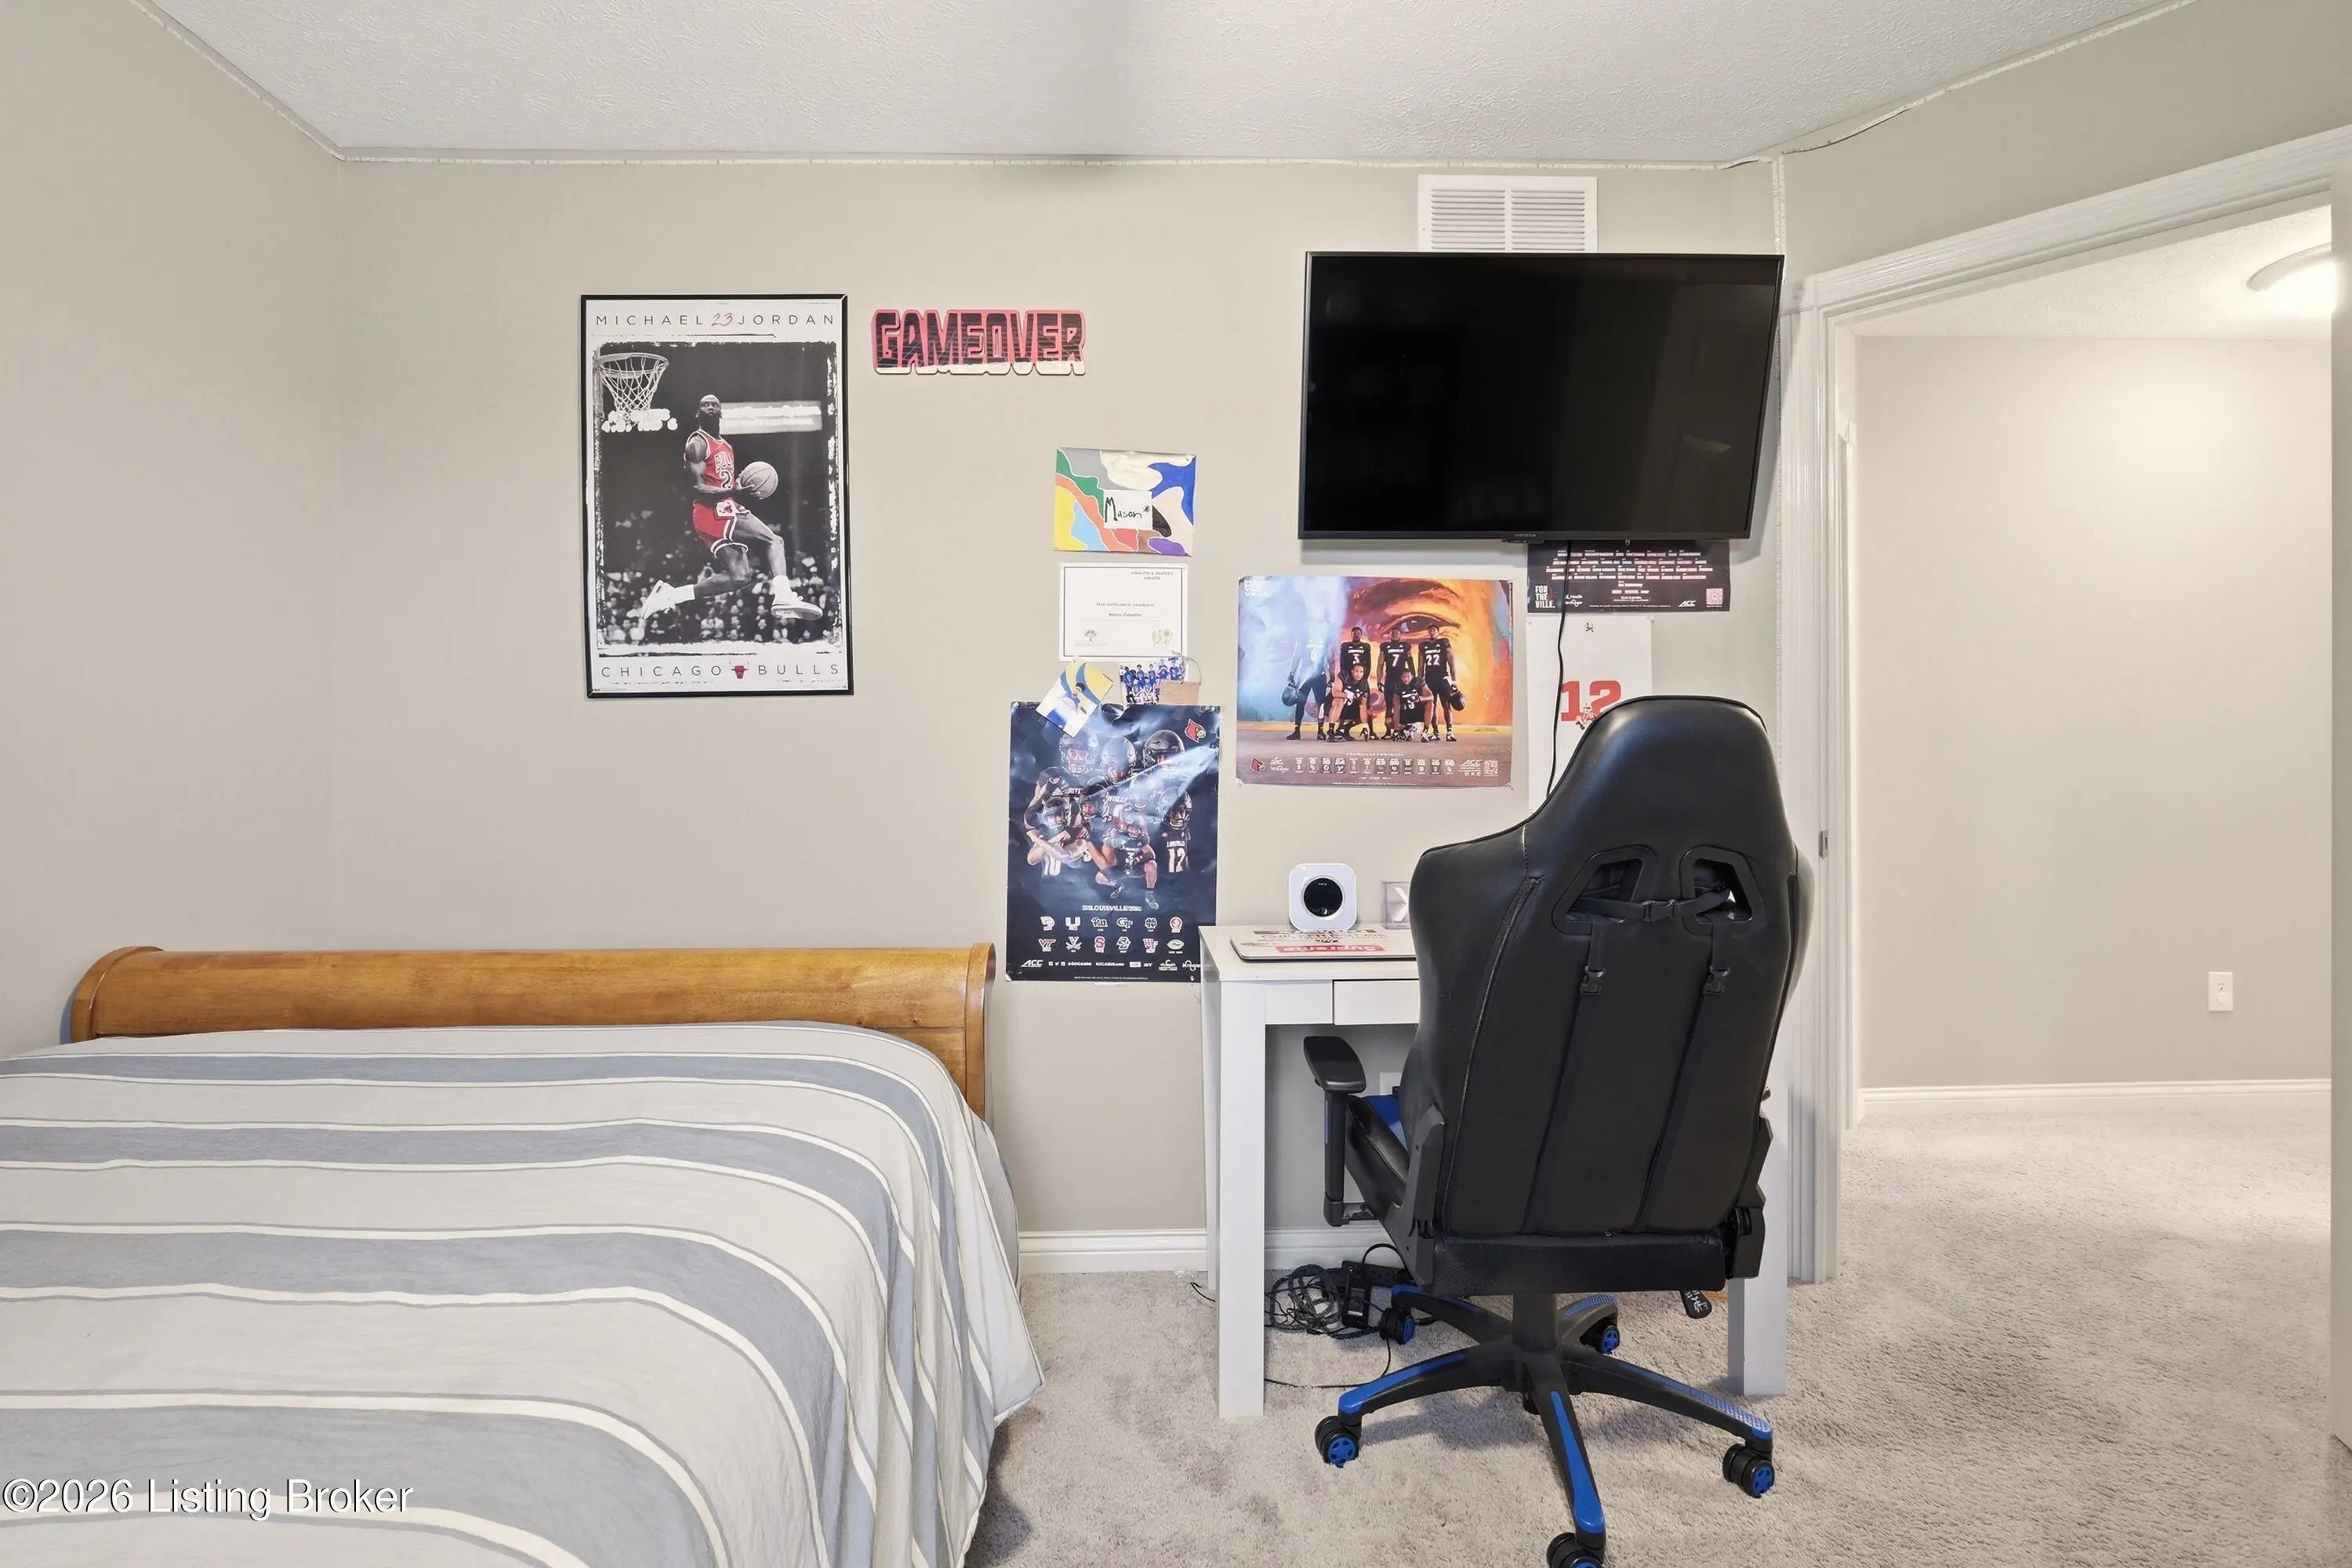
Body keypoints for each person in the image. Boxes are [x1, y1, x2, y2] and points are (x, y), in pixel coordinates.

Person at [630, 394, 822, 630]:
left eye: (714, 405)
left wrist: (736, 487)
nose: (710, 407)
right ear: (698, 413)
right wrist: (734, 491)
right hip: (713, 511)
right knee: (774, 541)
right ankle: (783, 595)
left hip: (720, 510)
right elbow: (697, 488)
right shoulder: (697, 443)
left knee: (740, 577)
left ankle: (671, 595)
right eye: (705, 405)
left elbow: (721, 483)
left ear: (721, 412)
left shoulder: (727, 446)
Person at [1417, 631, 1466, 741]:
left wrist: (1454, 682)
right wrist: (1420, 681)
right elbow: (1420, 666)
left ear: (1438, 632)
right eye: (1430, 630)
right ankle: (1436, 733)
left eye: (1434, 630)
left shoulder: (1444, 644)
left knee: (1446, 705)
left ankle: (1450, 732)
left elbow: (1452, 664)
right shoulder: (1424, 646)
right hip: (1429, 679)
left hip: (1443, 678)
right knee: (1432, 706)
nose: (1432, 632)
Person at [1333, 626, 1374, 740]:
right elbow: (1342, 663)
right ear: (1351, 634)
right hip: (1348, 680)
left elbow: (1368, 663)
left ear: (1361, 635)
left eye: (1358, 633)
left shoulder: (1365, 646)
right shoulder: (1345, 646)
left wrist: (1363, 678)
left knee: (1366, 705)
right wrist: (1346, 679)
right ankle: (1340, 729)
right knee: (1344, 703)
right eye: (1354, 633)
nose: (1356, 635)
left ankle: (1371, 731)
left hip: (1361, 680)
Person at [1282, 662, 1334, 741]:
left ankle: (1320, 731)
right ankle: (1297, 731)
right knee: (1300, 702)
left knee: (1320, 704)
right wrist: (1292, 674)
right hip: (1305, 675)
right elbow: (1297, 657)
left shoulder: (1323, 653)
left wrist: (1329, 676)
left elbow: (1327, 661)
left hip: (1319, 675)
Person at [1378, 633, 1416, 739]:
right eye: (1393, 633)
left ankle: (1404, 729)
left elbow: (1410, 662)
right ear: (1390, 635)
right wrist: (1379, 680)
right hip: (1390, 680)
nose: (1395, 634)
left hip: (1401, 680)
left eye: (1397, 633)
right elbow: (1380, 664)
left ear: (1400, 635)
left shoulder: (1405, 646)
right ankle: (1388, 732)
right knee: (1389, 705)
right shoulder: (1385, 646)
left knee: (1403, 704)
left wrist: (1413, 677)